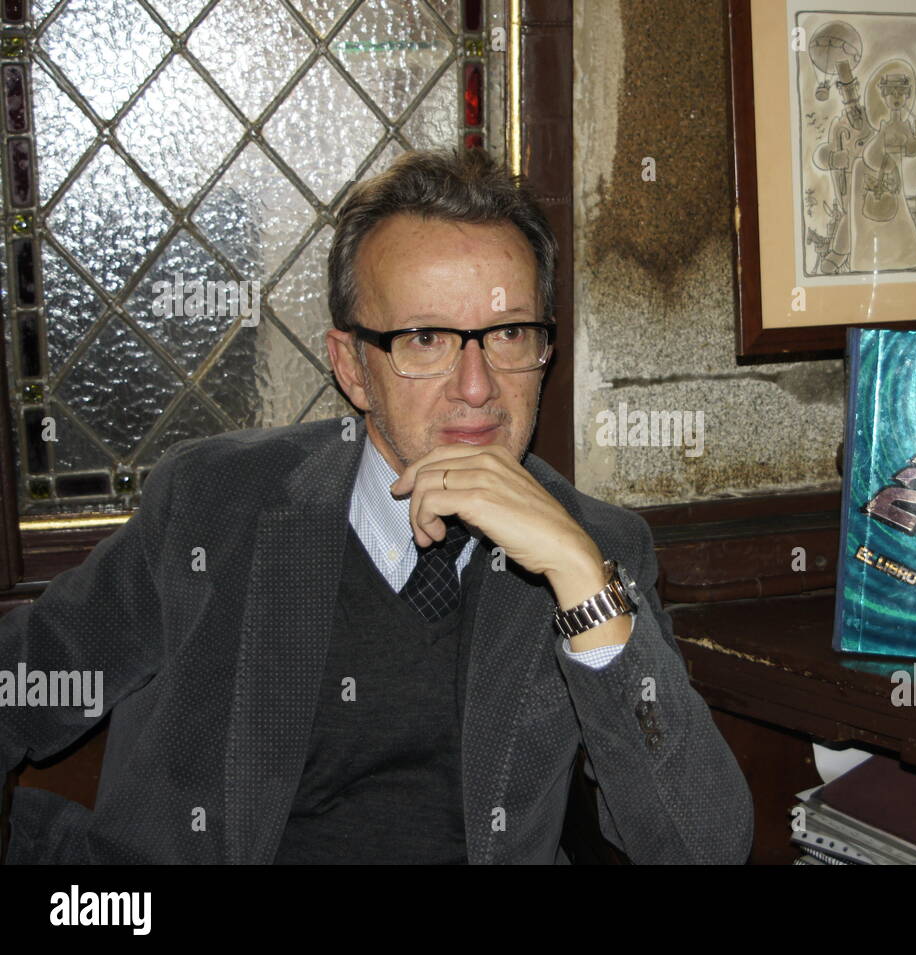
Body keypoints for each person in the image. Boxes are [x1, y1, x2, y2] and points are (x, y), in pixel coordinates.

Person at [0, 149, 754, 864]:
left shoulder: (595, 547)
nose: (476, 385)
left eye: (509, 333)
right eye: (426, 338)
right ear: (352, 368)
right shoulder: (216, 505)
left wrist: (580, 583)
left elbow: (703, 847)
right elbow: (24, 685)